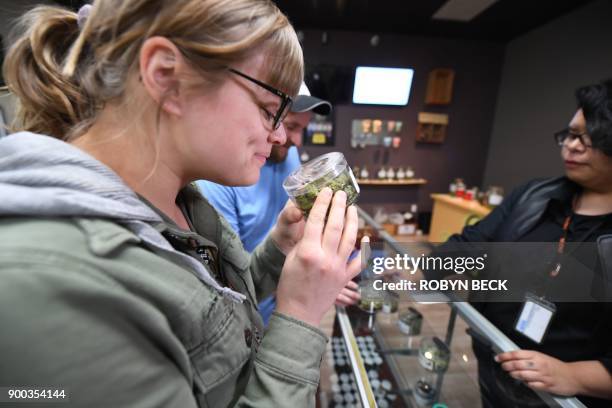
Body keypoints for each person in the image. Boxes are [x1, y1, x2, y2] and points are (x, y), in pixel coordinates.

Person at [0, 1, 365, 407]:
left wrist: (277, 252)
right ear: (167, 77)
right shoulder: (48, 283)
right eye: (268, 110)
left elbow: (212, 321)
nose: (280, 137)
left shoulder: (180, 201)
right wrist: (300, 313)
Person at [439, 80, 612, 407]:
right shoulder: (533, 196)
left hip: (560, 397)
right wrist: (425, 269)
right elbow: (469, 245)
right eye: (570, 134)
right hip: (493, 359)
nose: (572, 146)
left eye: (589, 138)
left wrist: (573, 375)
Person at [197, 85, 360, 325]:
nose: (293, 140)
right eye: (291, 125)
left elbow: (293, 228)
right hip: (245, 311)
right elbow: (226, 280)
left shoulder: (288, 155)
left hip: (280, 293)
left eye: (303, 129)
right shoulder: (219, 181)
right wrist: (306, 290)